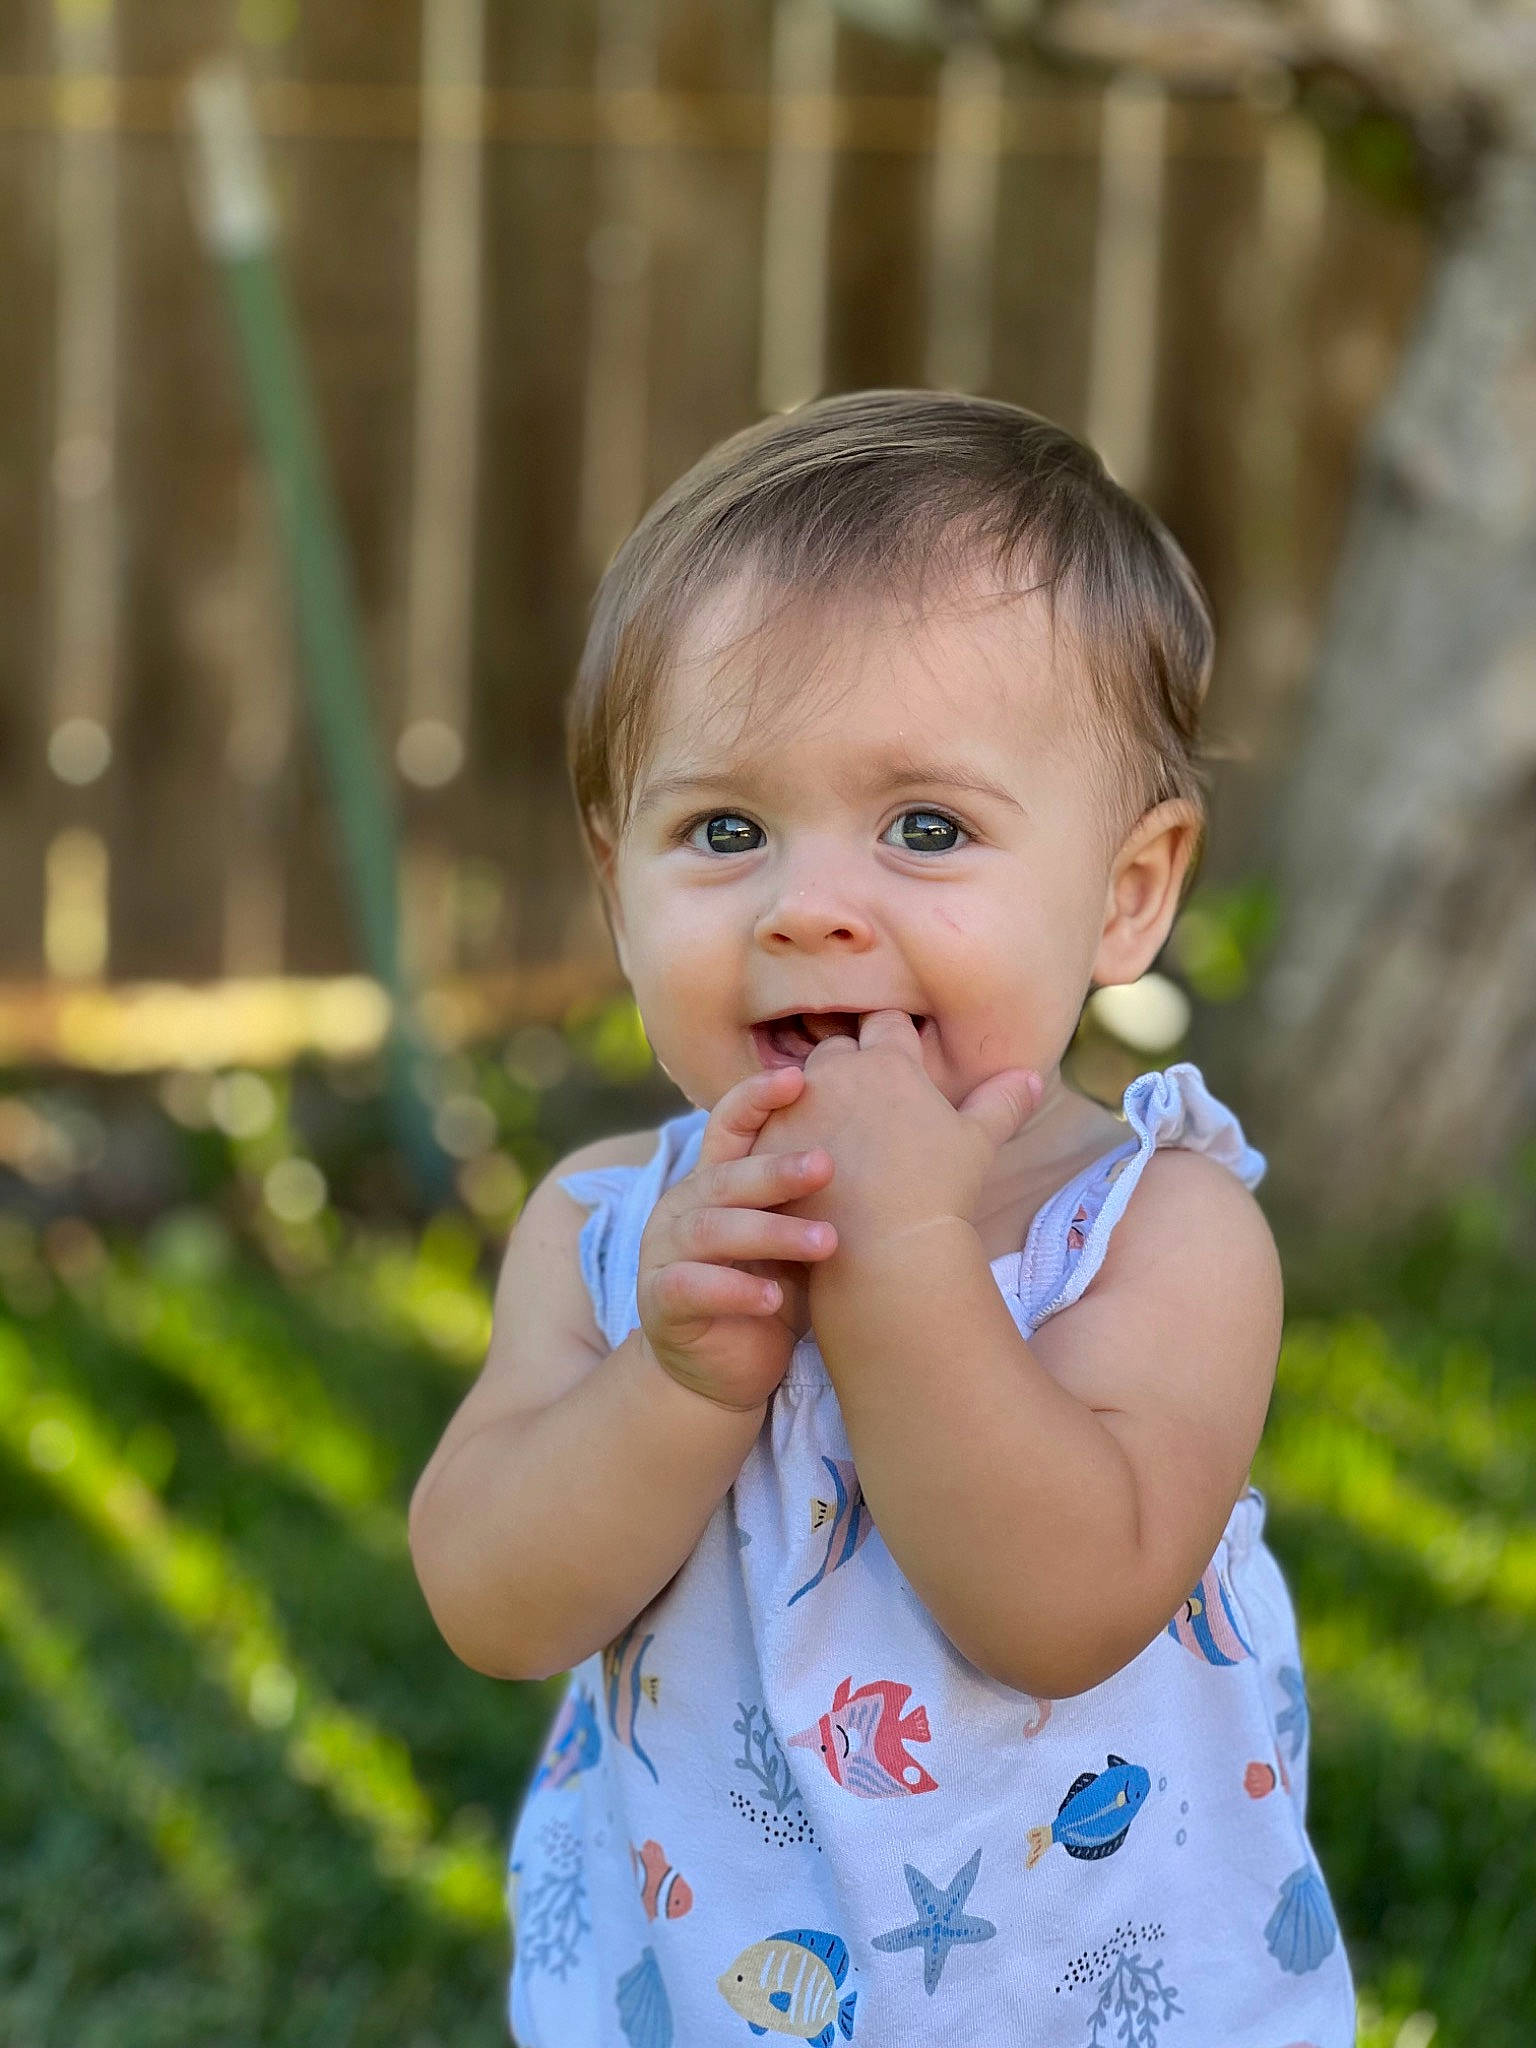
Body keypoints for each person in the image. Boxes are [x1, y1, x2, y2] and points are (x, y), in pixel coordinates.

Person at [409, 389, 1355, 2046]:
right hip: (704, 2001)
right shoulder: (604, 1231)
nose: (811, 909)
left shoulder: (1163, 1232)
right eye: (723, 830)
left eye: (927, 829)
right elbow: (495, 1606)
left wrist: (908, 1264)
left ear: (1127, 894)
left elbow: (1058, 1607)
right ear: (611, 877)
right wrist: (681, 1378)